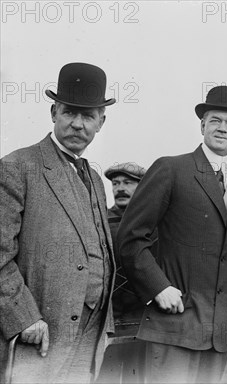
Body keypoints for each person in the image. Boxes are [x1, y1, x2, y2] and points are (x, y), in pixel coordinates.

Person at [118, 85, 227, 383]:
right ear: (202, 125)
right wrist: (158, 288)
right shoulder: (170, 169)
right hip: (174, 323)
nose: (222, 129)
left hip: (221, 329)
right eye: (215, 120)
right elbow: (131, 238)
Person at [0, 62, 116, 383]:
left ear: (101, 122)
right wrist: (24, 318)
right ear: (54, 113)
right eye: (69, 113)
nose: (78, 124)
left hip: (91, 334)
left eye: (88, 116)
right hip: (39, 335)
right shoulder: (17, 167)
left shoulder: (94, 177)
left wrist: (104, 325)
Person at [96, 163, 147, 384]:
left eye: (127, 182)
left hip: (143, 319)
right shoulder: (100, 221)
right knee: (105, 375)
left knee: (138, 377)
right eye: (116, 183)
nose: (120, 188)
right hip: (108, 318)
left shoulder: (152, 221)